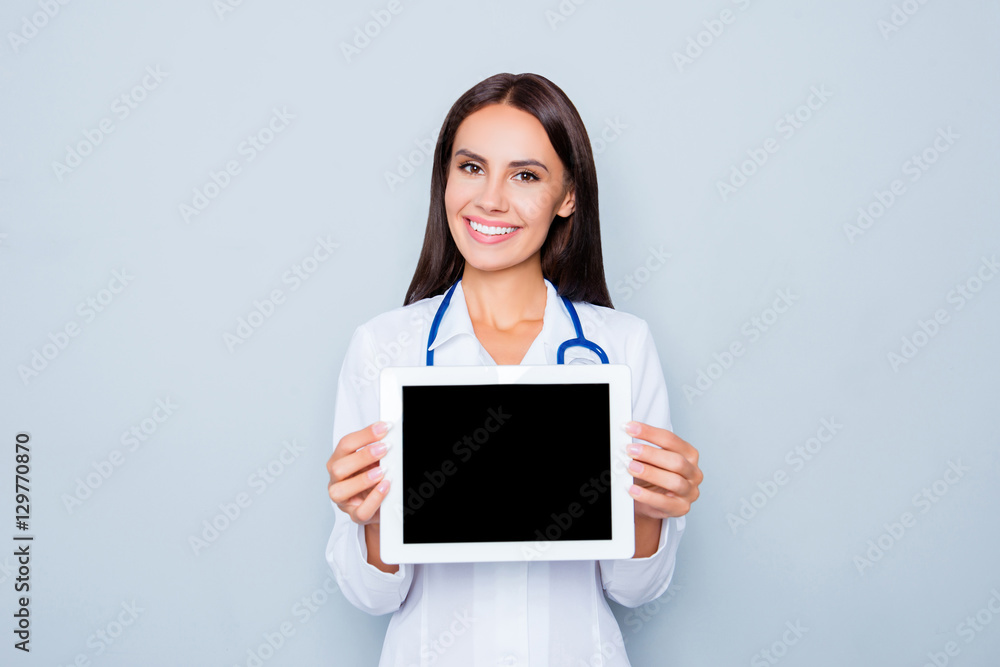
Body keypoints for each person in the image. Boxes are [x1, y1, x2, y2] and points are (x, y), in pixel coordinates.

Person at [325, 72, 703, 666]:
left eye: (525, 175)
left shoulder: (620, 347)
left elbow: (634, 589)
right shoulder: (382, 347)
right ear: (444, 179)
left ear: (568, 195)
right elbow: (370, 596)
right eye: (471, 167)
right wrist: (371, 521)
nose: (491, 199)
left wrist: (651, 510)